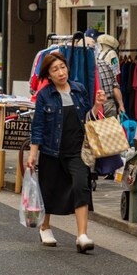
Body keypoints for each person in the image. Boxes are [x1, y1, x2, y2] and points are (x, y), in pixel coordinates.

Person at [26, 52, 106, 253]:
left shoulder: (79, 89)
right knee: (49, 190)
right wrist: (32, 153)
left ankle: (82, 235)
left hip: (77, 150)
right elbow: (38, 126)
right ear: (48, 75)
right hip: (52, 151)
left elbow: (88, 118)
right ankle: (44, 227)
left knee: (81, 187)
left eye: (62, 67)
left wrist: (97, 105)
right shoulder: (45, 95)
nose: (60, 72)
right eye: (55, 70)